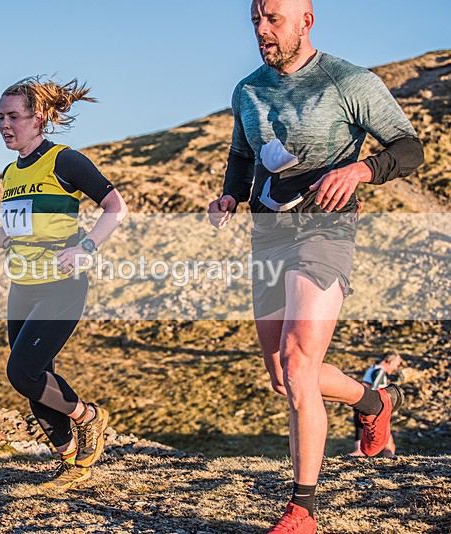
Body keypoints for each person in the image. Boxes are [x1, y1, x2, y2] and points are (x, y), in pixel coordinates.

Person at [207, 0, 423, 532]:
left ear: (306, 21)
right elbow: (243, 155)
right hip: (269, 236)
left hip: (326, 231)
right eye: (256, 19)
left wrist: (361, 170)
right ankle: (373, 401)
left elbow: (410, 149)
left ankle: (303, 508)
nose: (261, 29)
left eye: (273, 19)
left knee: (299, 361)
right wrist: (230, 197)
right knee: (284, 377)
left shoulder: (349, 81)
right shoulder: (247, 90)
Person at [0, 76, 129, 490]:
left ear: (38, 119)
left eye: (13, 116)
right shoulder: (10, 172)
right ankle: (71, 463)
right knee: (36, 382)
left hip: (62, 283)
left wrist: (86, 247)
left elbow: (115, 206)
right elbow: (11, 233)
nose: (4, 124)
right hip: (22, 285)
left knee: (23, 373)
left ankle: (89, 418)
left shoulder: (64, 160)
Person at [351, 350, 403, 457]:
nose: (396, 368)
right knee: (389, 445)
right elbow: (374, 392)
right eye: (396, 364)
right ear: (389, 361)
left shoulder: (372, 369)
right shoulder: (379, 372)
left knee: (360, 446)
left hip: (360, 407)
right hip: (372, 410)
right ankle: (390, 465)